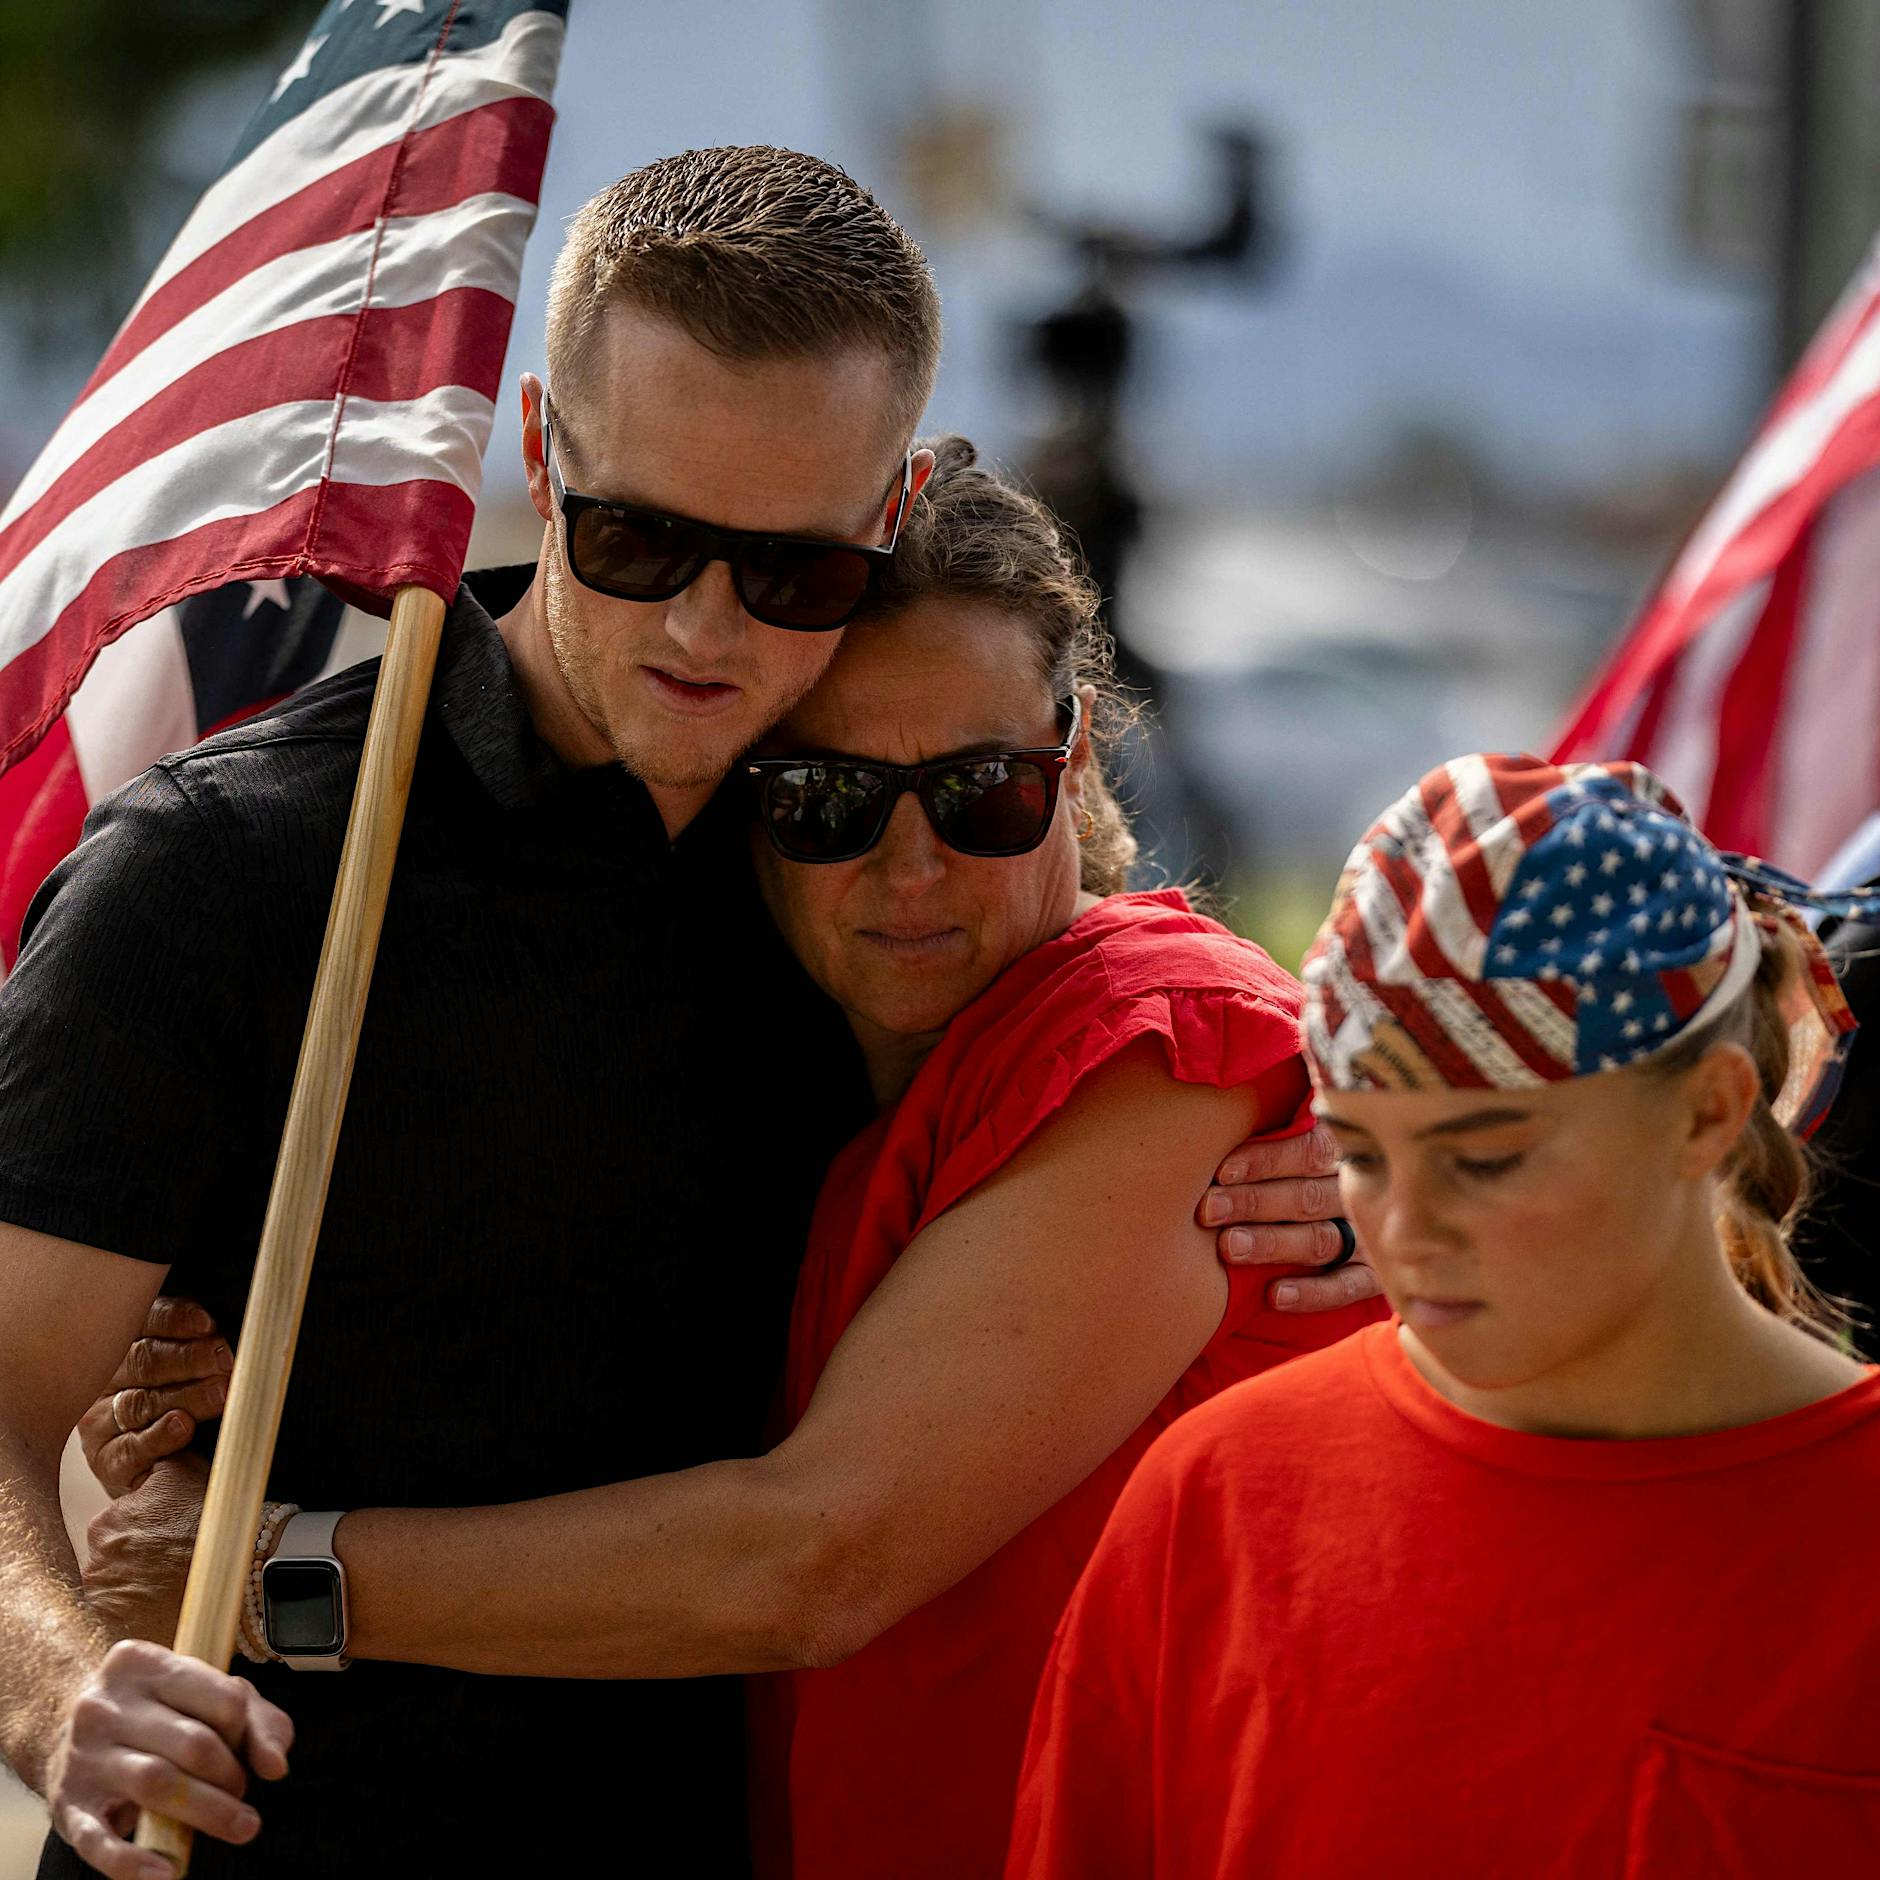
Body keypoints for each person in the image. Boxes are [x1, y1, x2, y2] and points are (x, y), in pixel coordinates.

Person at [0, 148, 1362, 1879]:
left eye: (791, 571)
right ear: (544, 460)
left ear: (887, 520)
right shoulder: (238, 870)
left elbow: (1147, 1038)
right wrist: (63, 1696)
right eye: (642, 541)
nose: (708, 628)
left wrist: (1356, 1171)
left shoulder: (858, 848)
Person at [1006, 754, 1880, 1878]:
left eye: (1483, 1159)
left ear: (1707, 1112)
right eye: (1360, 1153)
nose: (1403, 1227)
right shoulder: (1214, 1499)